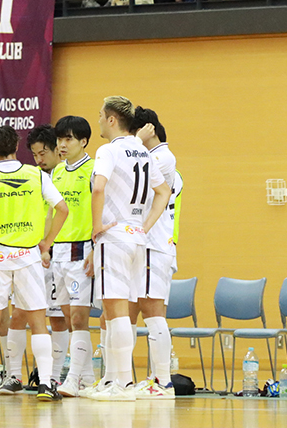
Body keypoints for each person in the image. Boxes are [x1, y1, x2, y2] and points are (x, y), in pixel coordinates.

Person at [0, 125, 68, 403]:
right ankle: (45, 384)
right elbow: (62, 209)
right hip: (28, 256)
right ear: (17, 147)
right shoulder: (35, 174)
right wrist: (47, 242)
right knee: (38, 322)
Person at [85, 97, 170, 402]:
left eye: (100, 115)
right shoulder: (144, 152)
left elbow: (98, 187)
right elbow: (163, 192)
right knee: (116, 312)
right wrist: (144, 226)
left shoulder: (108, 150)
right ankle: (117, 381)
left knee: (117, 311)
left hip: (115, 235)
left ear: (111, 120)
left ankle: (122, 384)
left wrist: (97, 226)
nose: (98, 120)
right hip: (136, 238)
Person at [3, 123, 65, 395]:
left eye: (43, 153)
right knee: (19, 314)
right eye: (35, 155)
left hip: (61, 253)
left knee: (58, 317)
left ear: (57, 150)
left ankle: (54, 377)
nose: (39, 160)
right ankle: (13, 375)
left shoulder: (67, 175)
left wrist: (50, 244)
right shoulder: (30, 177)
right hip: (31, 254)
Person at [127, 108, 177, 398]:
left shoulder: (163, 157)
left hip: (154, 245)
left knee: (152, 310)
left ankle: (163, 381)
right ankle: (121, 378)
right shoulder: (149, 155)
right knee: (128, 312)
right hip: (141, 245)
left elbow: (133, 175)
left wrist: (134, 142)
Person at [51, 116, 97, 398]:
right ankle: (88, 378)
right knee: (68, 318)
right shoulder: (57, 172)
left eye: (68, 139)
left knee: (80, 318)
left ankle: (72, 378)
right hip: (59, 252)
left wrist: (95, 248)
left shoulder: (94, 170)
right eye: (60, 139)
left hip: (82, 251)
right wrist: (46, 245)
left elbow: (103, 209)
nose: (62, 144)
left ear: (83, 141)